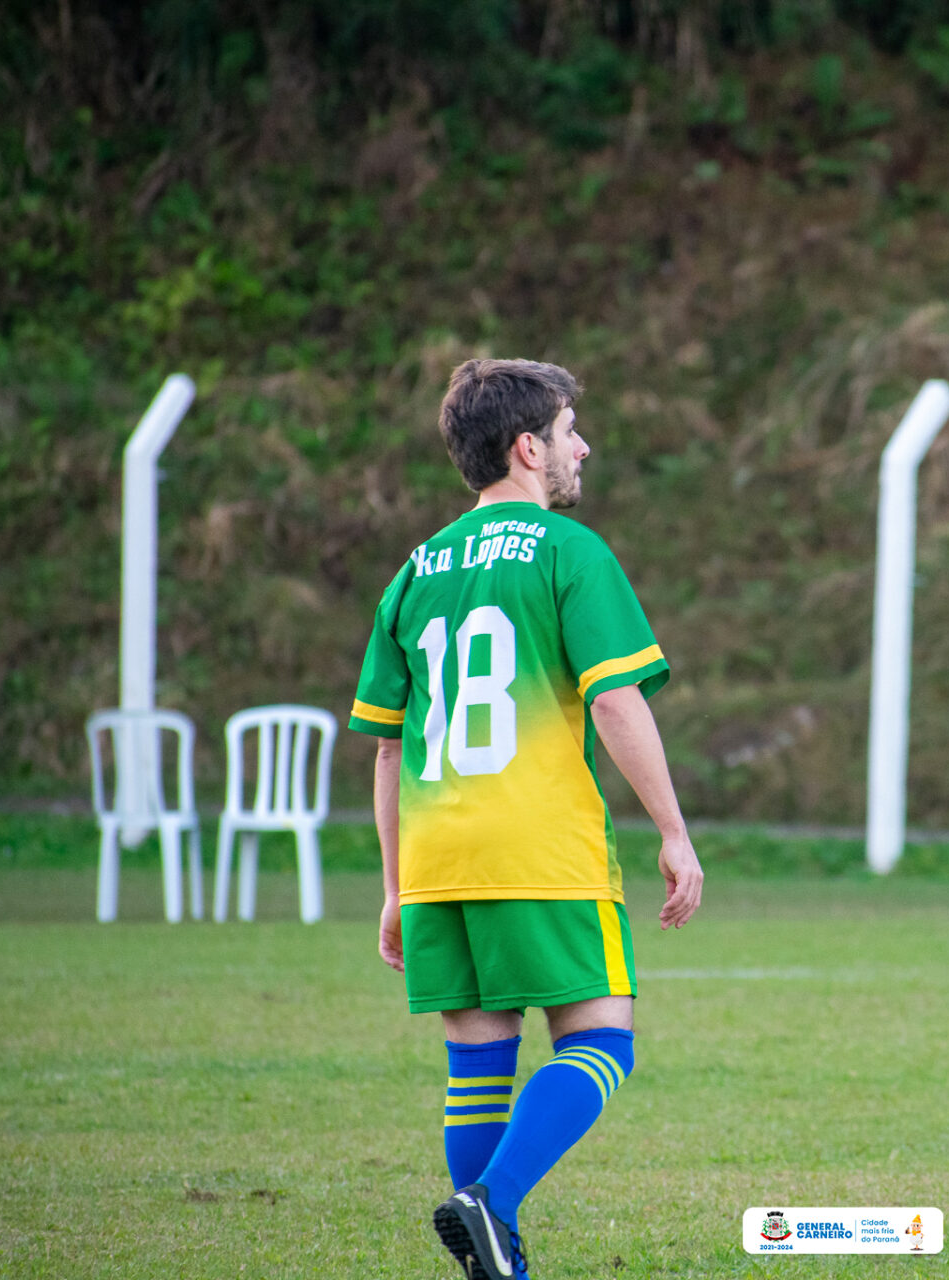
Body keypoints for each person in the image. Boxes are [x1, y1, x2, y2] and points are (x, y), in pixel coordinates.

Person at [350, 359, 703, 1280]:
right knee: (601, 1038)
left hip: (434, 858)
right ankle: (492, 1206)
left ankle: (490, 1260)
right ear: (527, 447)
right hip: (536, 847)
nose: (582, 445)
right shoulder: (567, 552)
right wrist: (673, 830)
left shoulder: (414, 571)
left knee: (477, 1067)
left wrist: (395, 887)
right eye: (571, 428)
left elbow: (387, 748)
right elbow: (615, 701)